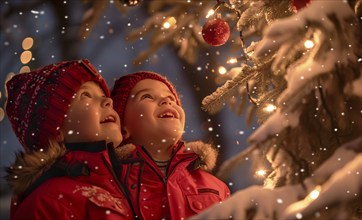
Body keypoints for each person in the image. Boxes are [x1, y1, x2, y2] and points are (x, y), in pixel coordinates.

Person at [5, 59, 134, 219]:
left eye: (103, 95)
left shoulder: (129, 184)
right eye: (86, 95)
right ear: (57, 129)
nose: (108, 101)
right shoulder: (48, 202)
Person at [111, 71, 230, 219]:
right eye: (147, 96)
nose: (166, 102)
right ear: (123, 127)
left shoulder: (215, 187)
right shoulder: (110, 186)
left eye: (171, 98)